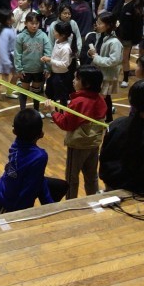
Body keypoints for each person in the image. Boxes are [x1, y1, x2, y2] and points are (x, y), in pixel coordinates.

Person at [0, 108, 68, 214]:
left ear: (14, 132)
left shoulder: (17, 144)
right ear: (41, 133)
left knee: (60, 186)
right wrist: (49, 208)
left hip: (5, 191)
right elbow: (32, 189)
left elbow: (39, 180)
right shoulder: (39, 156)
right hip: (6, 204)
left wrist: (49, 205)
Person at [49, 65, 107, 199]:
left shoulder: (78, 102)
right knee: (92, 177)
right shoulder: (100, 99)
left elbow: (66, 124)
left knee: (71, 178)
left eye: (76, 78)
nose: (73, 81)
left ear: (87, 83)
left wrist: (53, 111)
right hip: (94, 144)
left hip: (77, 147)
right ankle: (94, 201)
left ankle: (71, 203)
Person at [88, 12, 123, 122]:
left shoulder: (115, 42)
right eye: (97, 22)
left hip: (107, 75)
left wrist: (96, 57)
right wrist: (92, 54)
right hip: (101, 73)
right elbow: (99, 53)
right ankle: (107, 119)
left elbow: (113, 60)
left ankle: (105, 119)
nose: (97, 25)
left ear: (108, 25)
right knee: (105, 98)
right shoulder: (103, 36)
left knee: (103, 98)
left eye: (100, 23)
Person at [15, 13, 51, 118]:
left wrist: (47, 67)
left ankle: (36, 111)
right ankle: (22, 112)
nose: (34, 26)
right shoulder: (21, 36)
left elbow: (48, 52)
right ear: (26, 23)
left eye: (36, 23)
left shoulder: (43, 35)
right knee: (24, 91)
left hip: (39, 69)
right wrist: (19, 69)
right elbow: (17, 54)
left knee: (36, 91)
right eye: (31, 23)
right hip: (25, 70)